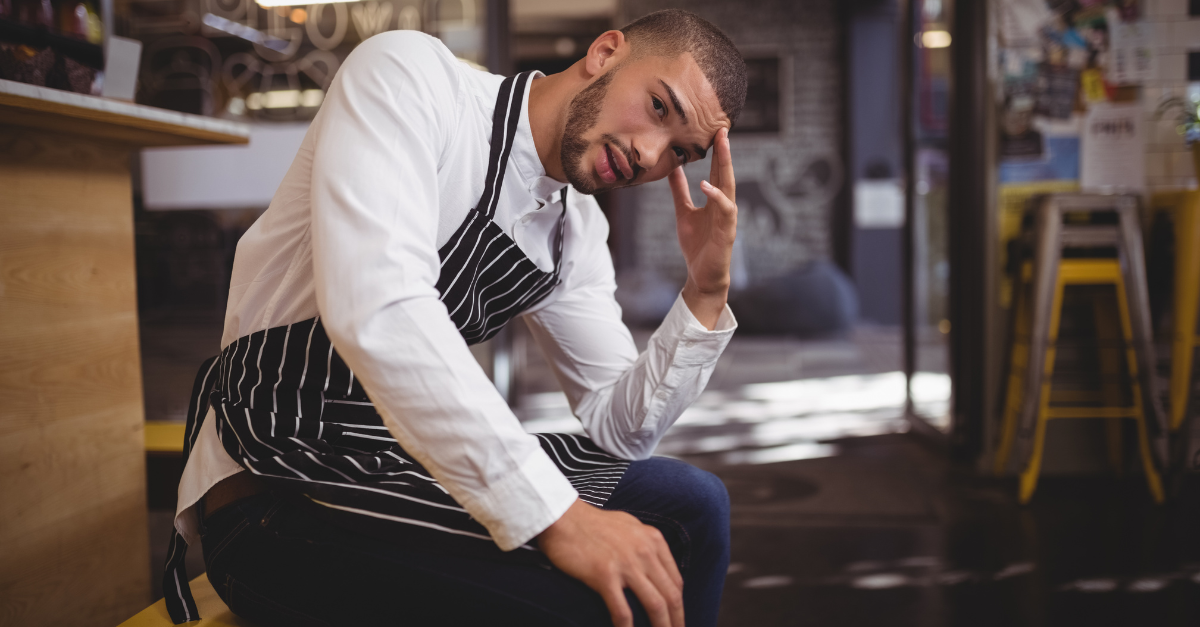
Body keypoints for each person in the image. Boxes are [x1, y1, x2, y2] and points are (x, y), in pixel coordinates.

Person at [163, 9, 747, 627]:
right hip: (274, 491)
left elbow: (621, 432)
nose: (650, 156)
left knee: (694, 503)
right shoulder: (411, 79)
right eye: (659, 107)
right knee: (593, 606)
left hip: (403, 472)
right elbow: (381, 310)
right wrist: (558, 519)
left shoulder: (575, 230)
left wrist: (705, 290)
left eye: (680, 152)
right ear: (605, 53)